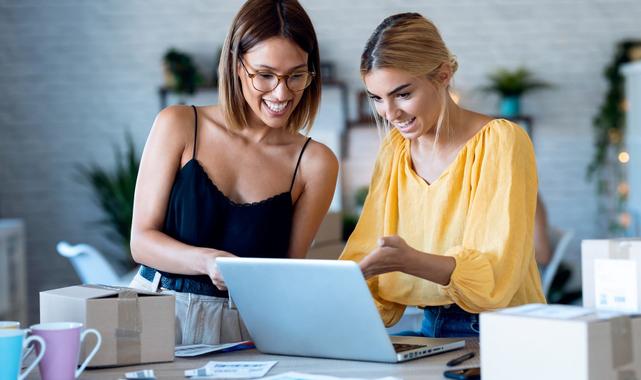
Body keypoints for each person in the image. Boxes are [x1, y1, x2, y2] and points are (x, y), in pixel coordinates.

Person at [129, 0, 338, 345]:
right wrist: (207, 260)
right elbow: (141, 242)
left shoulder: (316, 163)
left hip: (245, 329)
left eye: (296, 75)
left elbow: (286, 274)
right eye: (265, 75)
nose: (282, 93)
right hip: (155, 310)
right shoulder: (179, 124)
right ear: (237, 66)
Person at [339, 13, 545, 338]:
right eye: (377, 99)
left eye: (403, 94)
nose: (390, 114)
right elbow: (365, 248)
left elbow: (495, 274)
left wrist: (408, 261)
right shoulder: (395, 149)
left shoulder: (501, 141)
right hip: (432, 325)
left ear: (444, 75)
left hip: (504, 329)